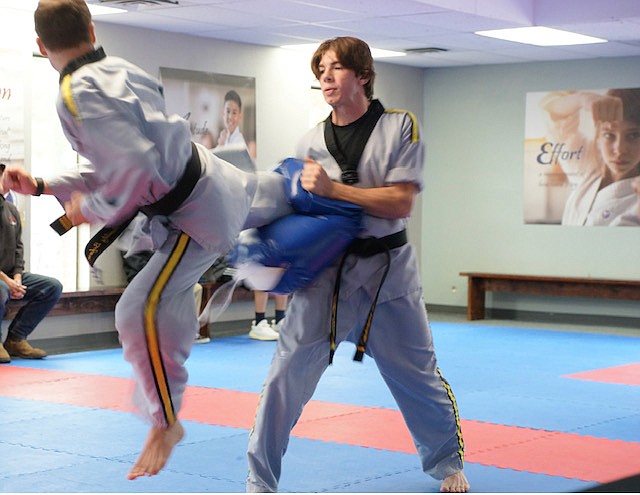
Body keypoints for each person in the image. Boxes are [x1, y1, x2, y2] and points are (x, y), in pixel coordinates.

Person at [4, 0, 289, 481]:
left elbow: (132, 171)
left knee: (136, 310)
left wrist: (86, 209)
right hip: (213, 179)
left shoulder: (75, 93)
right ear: (91, 29)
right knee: (289, 193)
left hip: (191, 215)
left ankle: (165, 420)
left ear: (40, 45)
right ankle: (338, 195)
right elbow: (124, 161)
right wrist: (44, 185)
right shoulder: (118, 68)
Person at [246, 37, 470, 493]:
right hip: (327, 277)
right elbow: (298, 207)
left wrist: (336, 191)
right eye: (321, 70)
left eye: (336, 68)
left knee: (416, 374)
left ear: (363, 75)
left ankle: (448, 463)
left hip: (389, 275)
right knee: (284, 377)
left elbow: (400, 201)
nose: (325, 77)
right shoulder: (310, 140)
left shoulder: (399, 126)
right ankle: (259, 481)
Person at [543, 89, 640, 226]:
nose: (619, 150)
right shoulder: (588, 163)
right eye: (609, 135)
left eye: (633, 135)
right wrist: (581, 98)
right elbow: (552, 109)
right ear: (598, 134)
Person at [0, 167, 63, 364]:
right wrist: (7, 281)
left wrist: (17, 278)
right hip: (2, 280)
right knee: (1, 289)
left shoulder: (10, 210)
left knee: (51, 286)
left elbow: (18, 248)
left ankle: (16, 339)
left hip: (10, 276)